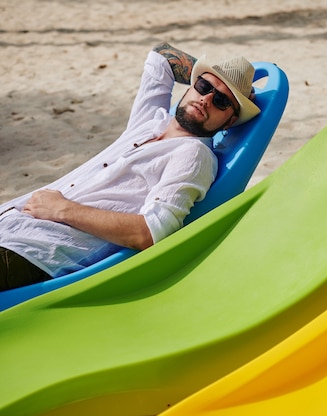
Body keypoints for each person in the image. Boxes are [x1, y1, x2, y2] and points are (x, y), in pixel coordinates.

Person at [0, 42, 260, 291]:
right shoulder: (150, 121)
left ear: (230, 122)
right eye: (204, 86)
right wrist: (219, 81)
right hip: (10, 222)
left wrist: (63, 209)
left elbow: (150, 233)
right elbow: (161, 57)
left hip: (33, 251)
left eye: (222, 102)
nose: (206, 99)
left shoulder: (194, 155)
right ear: (192, 85)